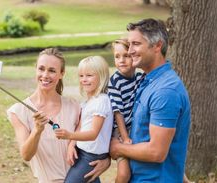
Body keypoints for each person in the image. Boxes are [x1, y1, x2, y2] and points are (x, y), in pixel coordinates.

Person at [7, 48, 110, 183]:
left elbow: (101, 132)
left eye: (52, 70)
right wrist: (37, 130)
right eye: (41, 69)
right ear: (35, 70)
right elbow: (26, 155)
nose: (45, 75)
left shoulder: (75, 106)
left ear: (61, 74)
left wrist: (106, 159)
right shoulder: (18, 112)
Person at [110, 18, 191, 183]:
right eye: (129, 44)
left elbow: (156, 152)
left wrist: (118, 148)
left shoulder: (165, 91)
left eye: (136, 44)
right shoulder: (146, 81)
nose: (130, 50)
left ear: (157, 46)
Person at [54, 56, 113, 183]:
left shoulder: (101, 101)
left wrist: (69, 135)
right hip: (83, 151)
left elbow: (93, 134)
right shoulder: (88, 102)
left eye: (89, 75)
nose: (84, 80)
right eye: (81, 76)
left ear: (101, 77)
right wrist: (71, 143)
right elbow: (80, 126)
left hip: (91, 155)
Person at [108, 38, 144, 183]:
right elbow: (118, 113)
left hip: (136, 127)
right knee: (124, 175)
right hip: (120, 131)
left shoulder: (140, 77)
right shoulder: (115, 82)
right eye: (117, 56)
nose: (121, 60)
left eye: (126, 56)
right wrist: (126, 138)